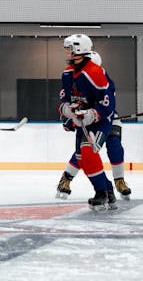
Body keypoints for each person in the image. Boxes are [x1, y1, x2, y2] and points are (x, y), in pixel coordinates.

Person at [56, 51, 132, 201]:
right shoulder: (74, 77)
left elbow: (106, 106)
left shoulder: (99, 77)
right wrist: (70, 118)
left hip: (106, 118)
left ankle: (119, 180)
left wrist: (93, 114)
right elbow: (70, 101)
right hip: (87, 119)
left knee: (114, 145)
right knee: (85, 152)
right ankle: (67, 178)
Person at [57, 34, 117, 211]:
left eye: (69, 49)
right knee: (83, 159)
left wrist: (92, 114)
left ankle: (101, 194)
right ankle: (108, 190)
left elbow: (108, 104)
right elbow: (64, 99)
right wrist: (67, 111)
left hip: (100, 122)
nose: (66, 52)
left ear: (79, 49)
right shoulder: (67, 74)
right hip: (81, 122)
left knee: (88, 153)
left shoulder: (94, 73)